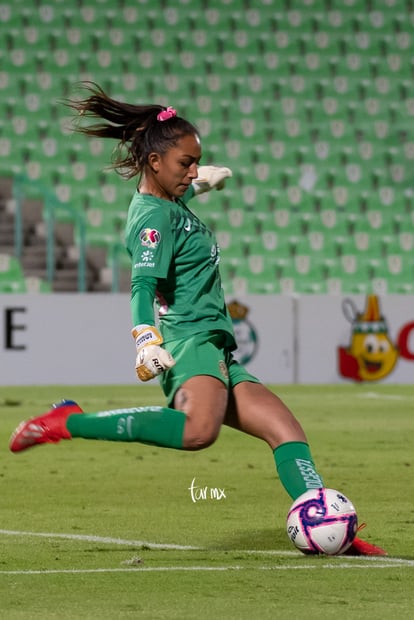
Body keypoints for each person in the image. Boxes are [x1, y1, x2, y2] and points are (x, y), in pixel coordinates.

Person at [9, 83, 385, 556]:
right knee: (196, 432)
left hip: (218, 346)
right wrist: (145, 338)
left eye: (195, 162)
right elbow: (142, 285)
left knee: (286, 432)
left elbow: (177, 207)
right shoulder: (151, 218)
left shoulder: (169, 202)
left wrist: (202, 180)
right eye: (186, 163)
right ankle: (68, 422)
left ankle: (330, 529)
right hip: (189, 343)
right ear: (155, 163)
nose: (192, 170)